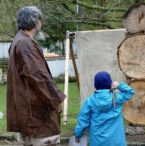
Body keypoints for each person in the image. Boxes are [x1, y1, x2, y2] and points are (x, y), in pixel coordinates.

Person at [7, 6, 66, 146]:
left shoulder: (20, 40)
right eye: (40, 19)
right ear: (34, 21)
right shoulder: (25, 43)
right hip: (35, 114)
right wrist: (54, 100)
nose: (41, 23)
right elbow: (38, 78)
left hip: (29, 109)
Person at [74, 71, 135, 146]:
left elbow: (83, 121)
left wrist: (78, 135)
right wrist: (119, 85)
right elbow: (130, 92)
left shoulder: (90, 101)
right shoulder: (116, 98)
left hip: (97, 141)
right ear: (110, 83)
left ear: (95, 85)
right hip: (117, 141)